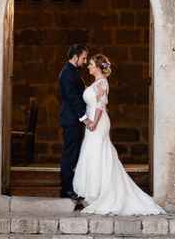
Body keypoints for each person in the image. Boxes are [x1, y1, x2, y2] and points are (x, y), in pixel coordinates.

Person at [72, 54, 165, 215]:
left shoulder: (101, 83)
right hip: (92, 121)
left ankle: (105, 193)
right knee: (93, 154)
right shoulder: (96, 82)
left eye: (91, 64)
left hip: (98, 122)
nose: (89, 66)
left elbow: (100, 105)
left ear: (98, 67)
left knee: (99, 154)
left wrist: (93, 122)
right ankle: (98, 192)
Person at [58, 44, 93, 202]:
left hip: (74, 120)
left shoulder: (73, 72)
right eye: (84, 58)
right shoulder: (67, 74)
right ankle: (67, 190)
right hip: (71, 120)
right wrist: (84, 118)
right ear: (75, 56)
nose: (85, 61)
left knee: (74, 153)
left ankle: (71, 187)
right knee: (70, 155)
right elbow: (73, 98)